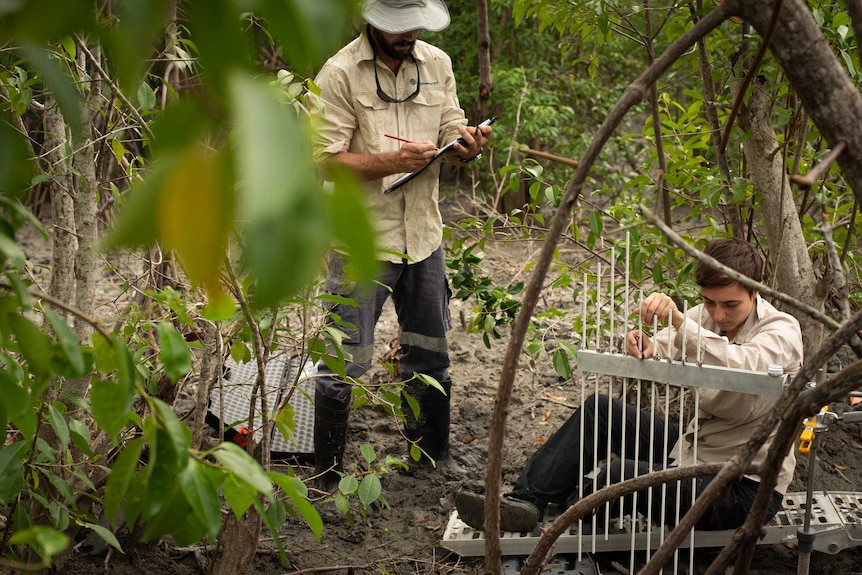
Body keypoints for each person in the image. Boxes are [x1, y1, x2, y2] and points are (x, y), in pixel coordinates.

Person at [456, 238, 804, 532]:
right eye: (709, 302)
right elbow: (671, 342)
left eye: (731, 305)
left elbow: (743, 364)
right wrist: (646, 344)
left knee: (619, 476)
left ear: (756, 293)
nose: (719, 315)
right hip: (692, 453)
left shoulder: (781, 331)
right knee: (599, 410)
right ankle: (524, 502)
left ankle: (577, 505)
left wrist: (682, 322)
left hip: (741, 490)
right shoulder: (706, 316)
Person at [310, 0, 492, 489]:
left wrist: (466, 145)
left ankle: (431, 457)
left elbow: (453, 125)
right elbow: (326, 160)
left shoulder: (437, 64)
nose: (406, 34)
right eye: (396, 27)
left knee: (430, 352)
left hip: (425, 236)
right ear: (370, 21)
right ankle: (327, 473)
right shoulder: (340, 73)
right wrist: (394, 162)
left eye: (413, 25)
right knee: (343, 361)